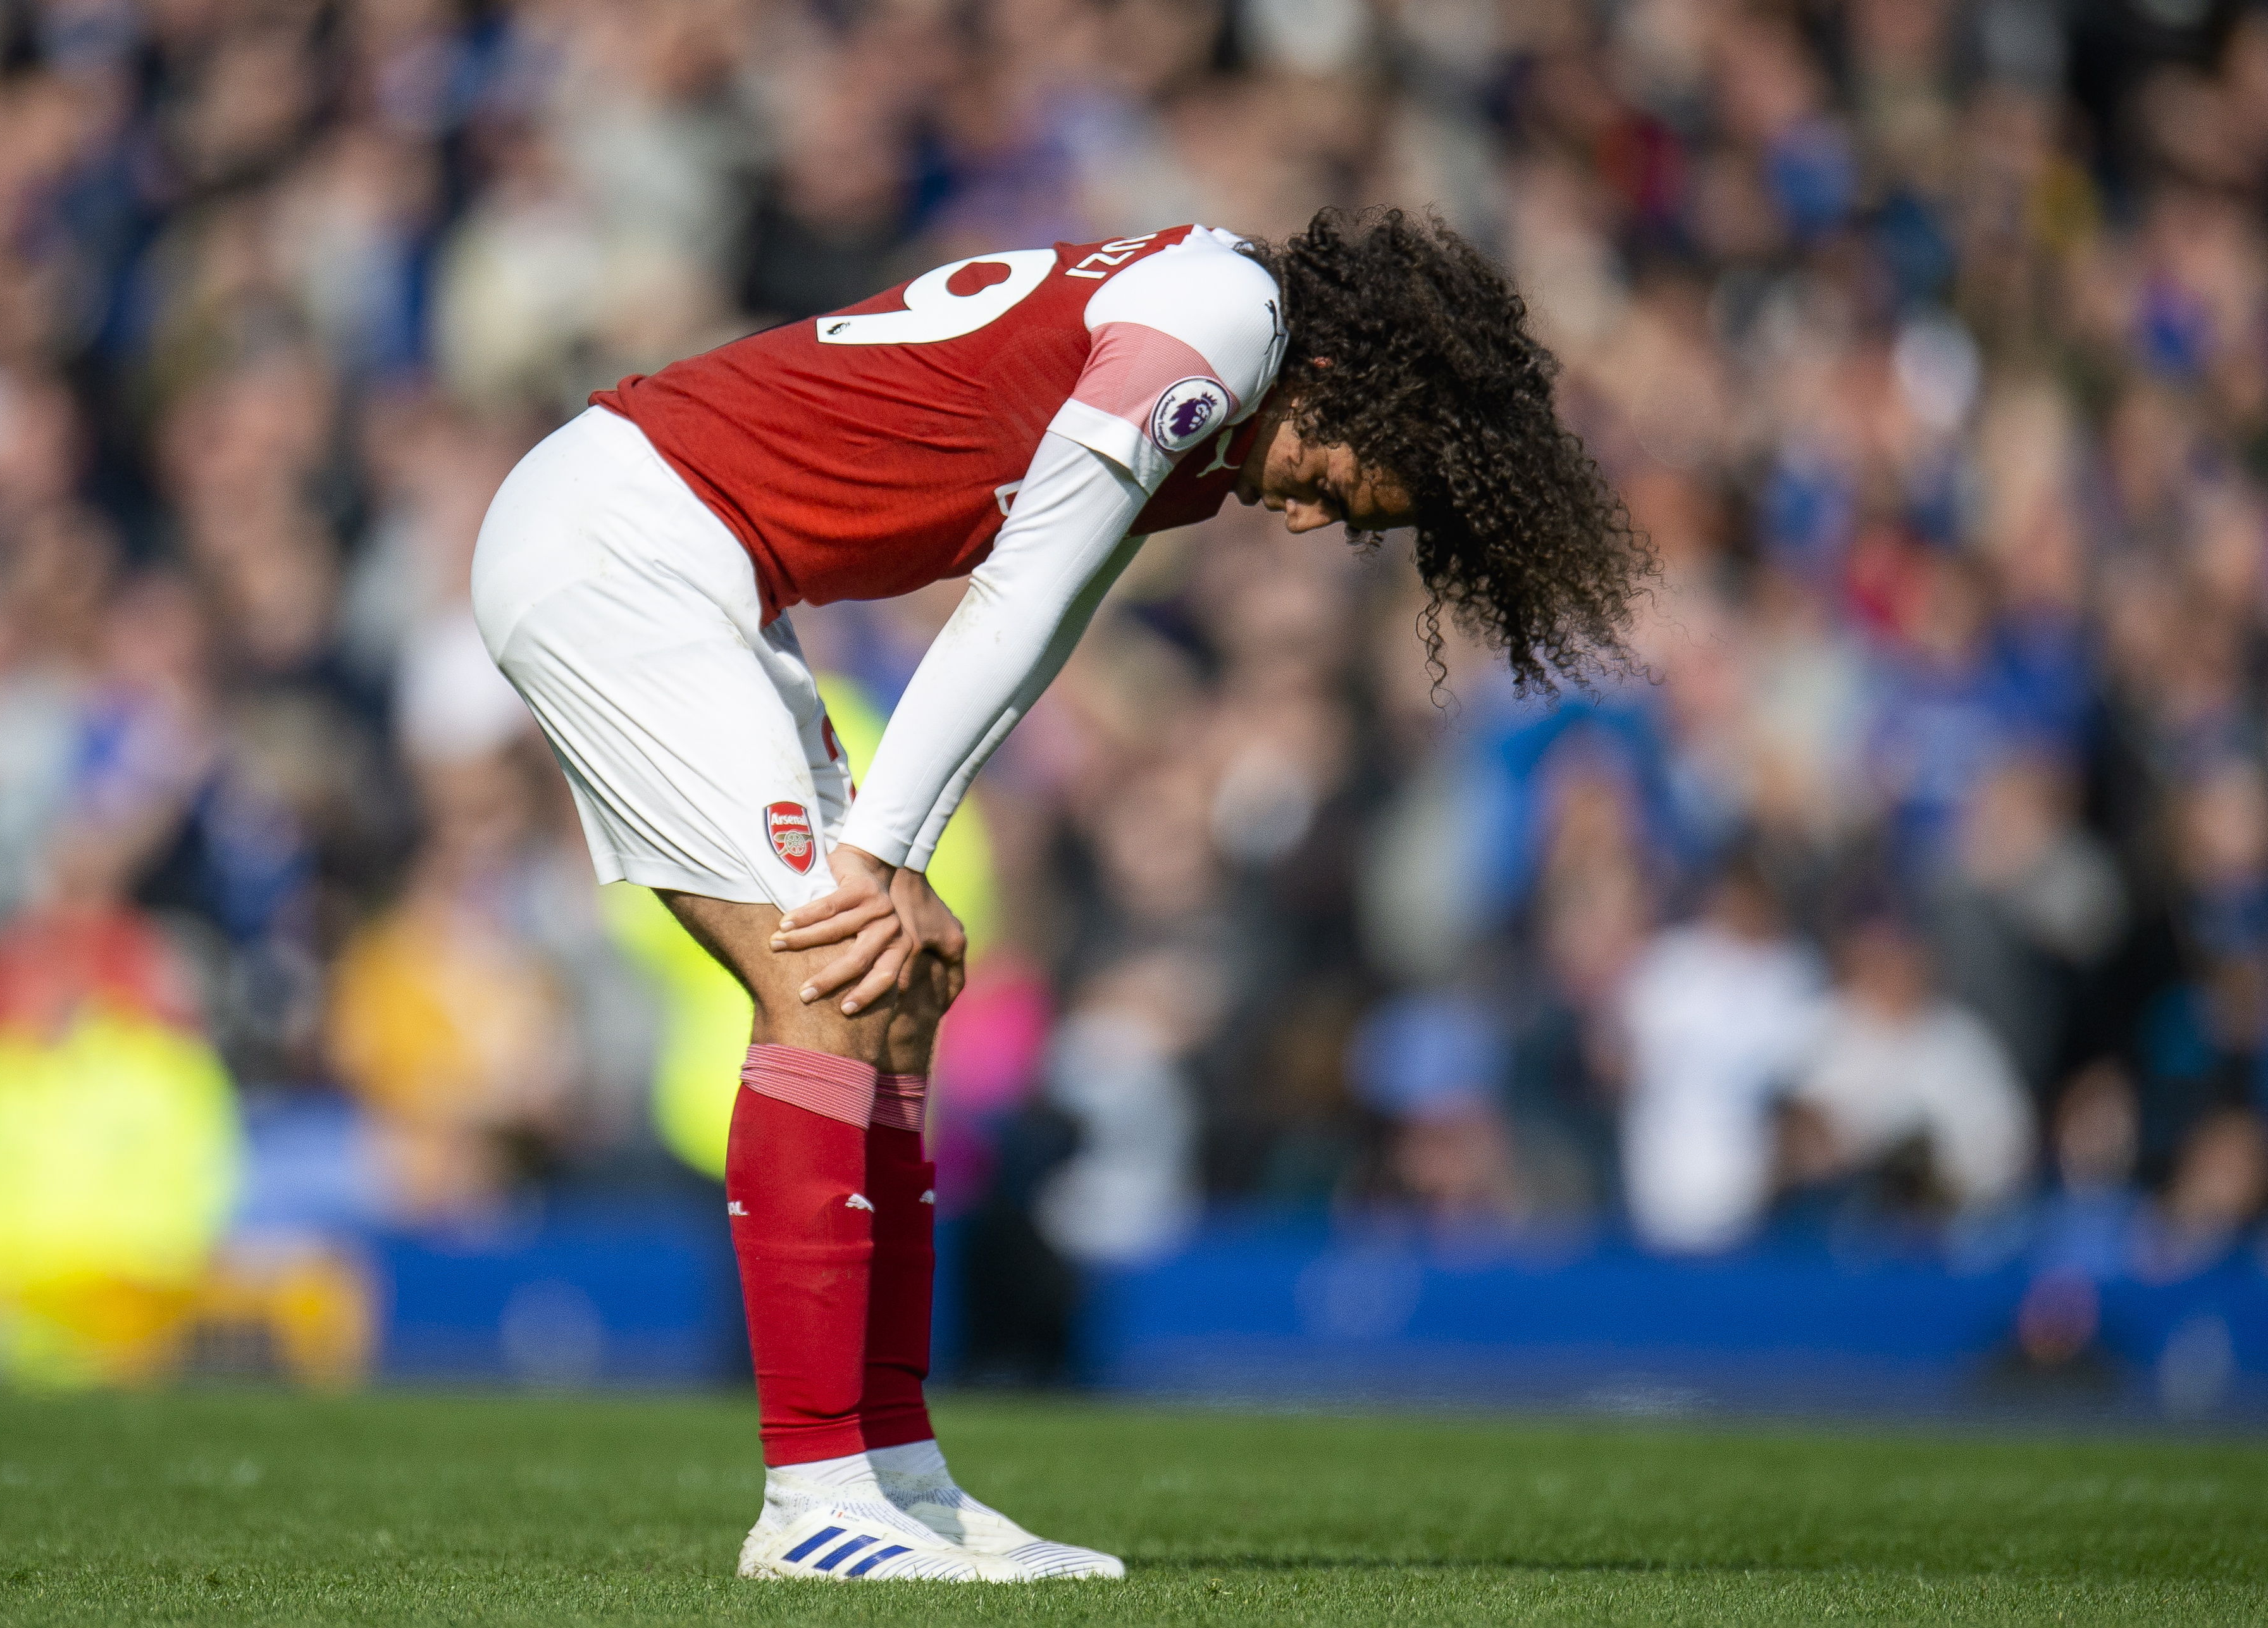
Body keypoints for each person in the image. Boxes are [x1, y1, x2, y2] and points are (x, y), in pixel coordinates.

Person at [470, 208, 1647, 1583]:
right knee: (833, 971)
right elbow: (1019, 597)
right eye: (1349, 484)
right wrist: (886, 856)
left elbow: (1051, 607)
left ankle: (900, 1476)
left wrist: (901, 849)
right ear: (1348, 385)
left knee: (894, 990)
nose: (1316, 515)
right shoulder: (1220, 332)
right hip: (621, 550)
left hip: (689, 562)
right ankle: (811, 1502)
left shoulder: (1217, 347)